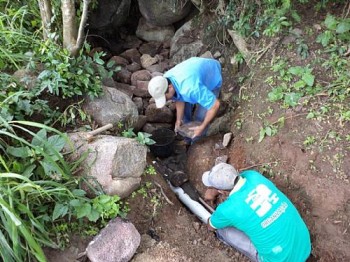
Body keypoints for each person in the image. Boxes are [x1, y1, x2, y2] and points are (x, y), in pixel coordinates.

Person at [202, 163, 311, 262]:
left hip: (280, 259)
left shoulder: (227, 210)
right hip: (304, 244)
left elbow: (211, 225)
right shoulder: (254, 176)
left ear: (221, 191)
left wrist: (213, 195)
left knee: (223, 230)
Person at [147, 57, 222, 143]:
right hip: (192, 71)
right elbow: (178, 98)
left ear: (170, 87)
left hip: (212, 75)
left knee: (200, 118)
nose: (167, 100)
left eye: (166, 98)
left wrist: (202, 126)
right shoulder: (164, 81)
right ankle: (187, 139)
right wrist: (178, 120)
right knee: (183, 117)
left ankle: (196, 143)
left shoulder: (191, 89)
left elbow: (215, 105)